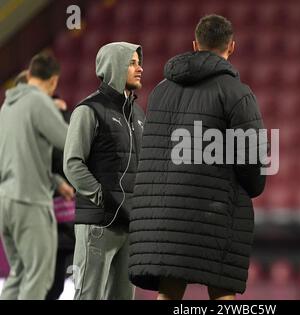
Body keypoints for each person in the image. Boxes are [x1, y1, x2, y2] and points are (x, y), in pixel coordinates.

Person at [129, 14, 267, 300]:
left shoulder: (159, 92)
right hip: (213, 213)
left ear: (194, 44)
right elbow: (251, 159)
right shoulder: (237, 94)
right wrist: (254, 186)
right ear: (232, 47)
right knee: (221, 291)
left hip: (163, 215)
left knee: (169, 289)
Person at [63, 42, 145, 300]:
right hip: (98, 224)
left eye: (138, 62)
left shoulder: (138, 114)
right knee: (89, 296)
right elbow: (72, 163)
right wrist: (102, 198)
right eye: (131, 63)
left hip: (129, 225)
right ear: (115, 67)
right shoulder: (89, 110)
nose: (139, 68)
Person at [0, 53, 72, 299]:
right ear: (53, 81)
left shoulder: (7, 107)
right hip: (30, 201)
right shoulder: (39, 102)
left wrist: (54, 181)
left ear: (30, 74)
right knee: (39, 277)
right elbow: (67, 141)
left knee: (18, 273)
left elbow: (15, 158)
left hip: (6, 201)